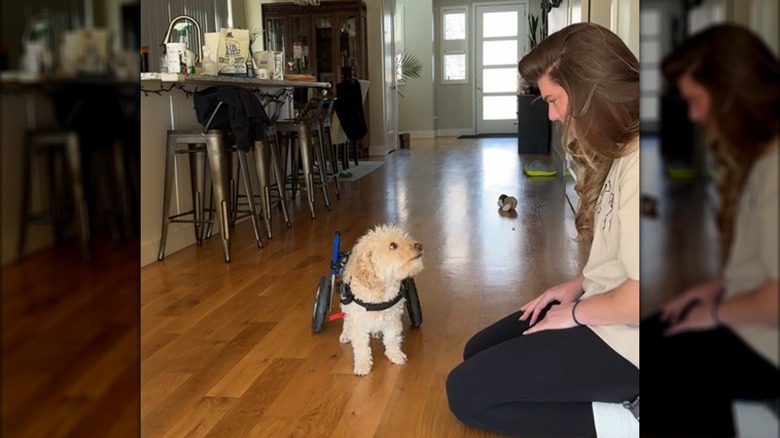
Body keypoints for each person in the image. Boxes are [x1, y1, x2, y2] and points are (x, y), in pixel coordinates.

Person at [445, 22, 640, 437]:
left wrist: (574, 314)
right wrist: (579, 285)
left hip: (632, 340)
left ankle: (628, 422)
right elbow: (627, 258)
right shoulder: (622, 149)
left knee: (464, 392)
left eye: (554, 99)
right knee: (476, 352)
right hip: (606, 306)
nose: (551, 114)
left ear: (590, 90)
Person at [641, 23, 779, 437]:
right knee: (650, 334)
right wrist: (715, 287)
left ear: (732, 91)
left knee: (671, 361)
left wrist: (714, 313)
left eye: (697, 101)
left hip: (768, 341)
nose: (695, 115)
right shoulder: (761, 156)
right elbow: (764, 264)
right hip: (751, 316)